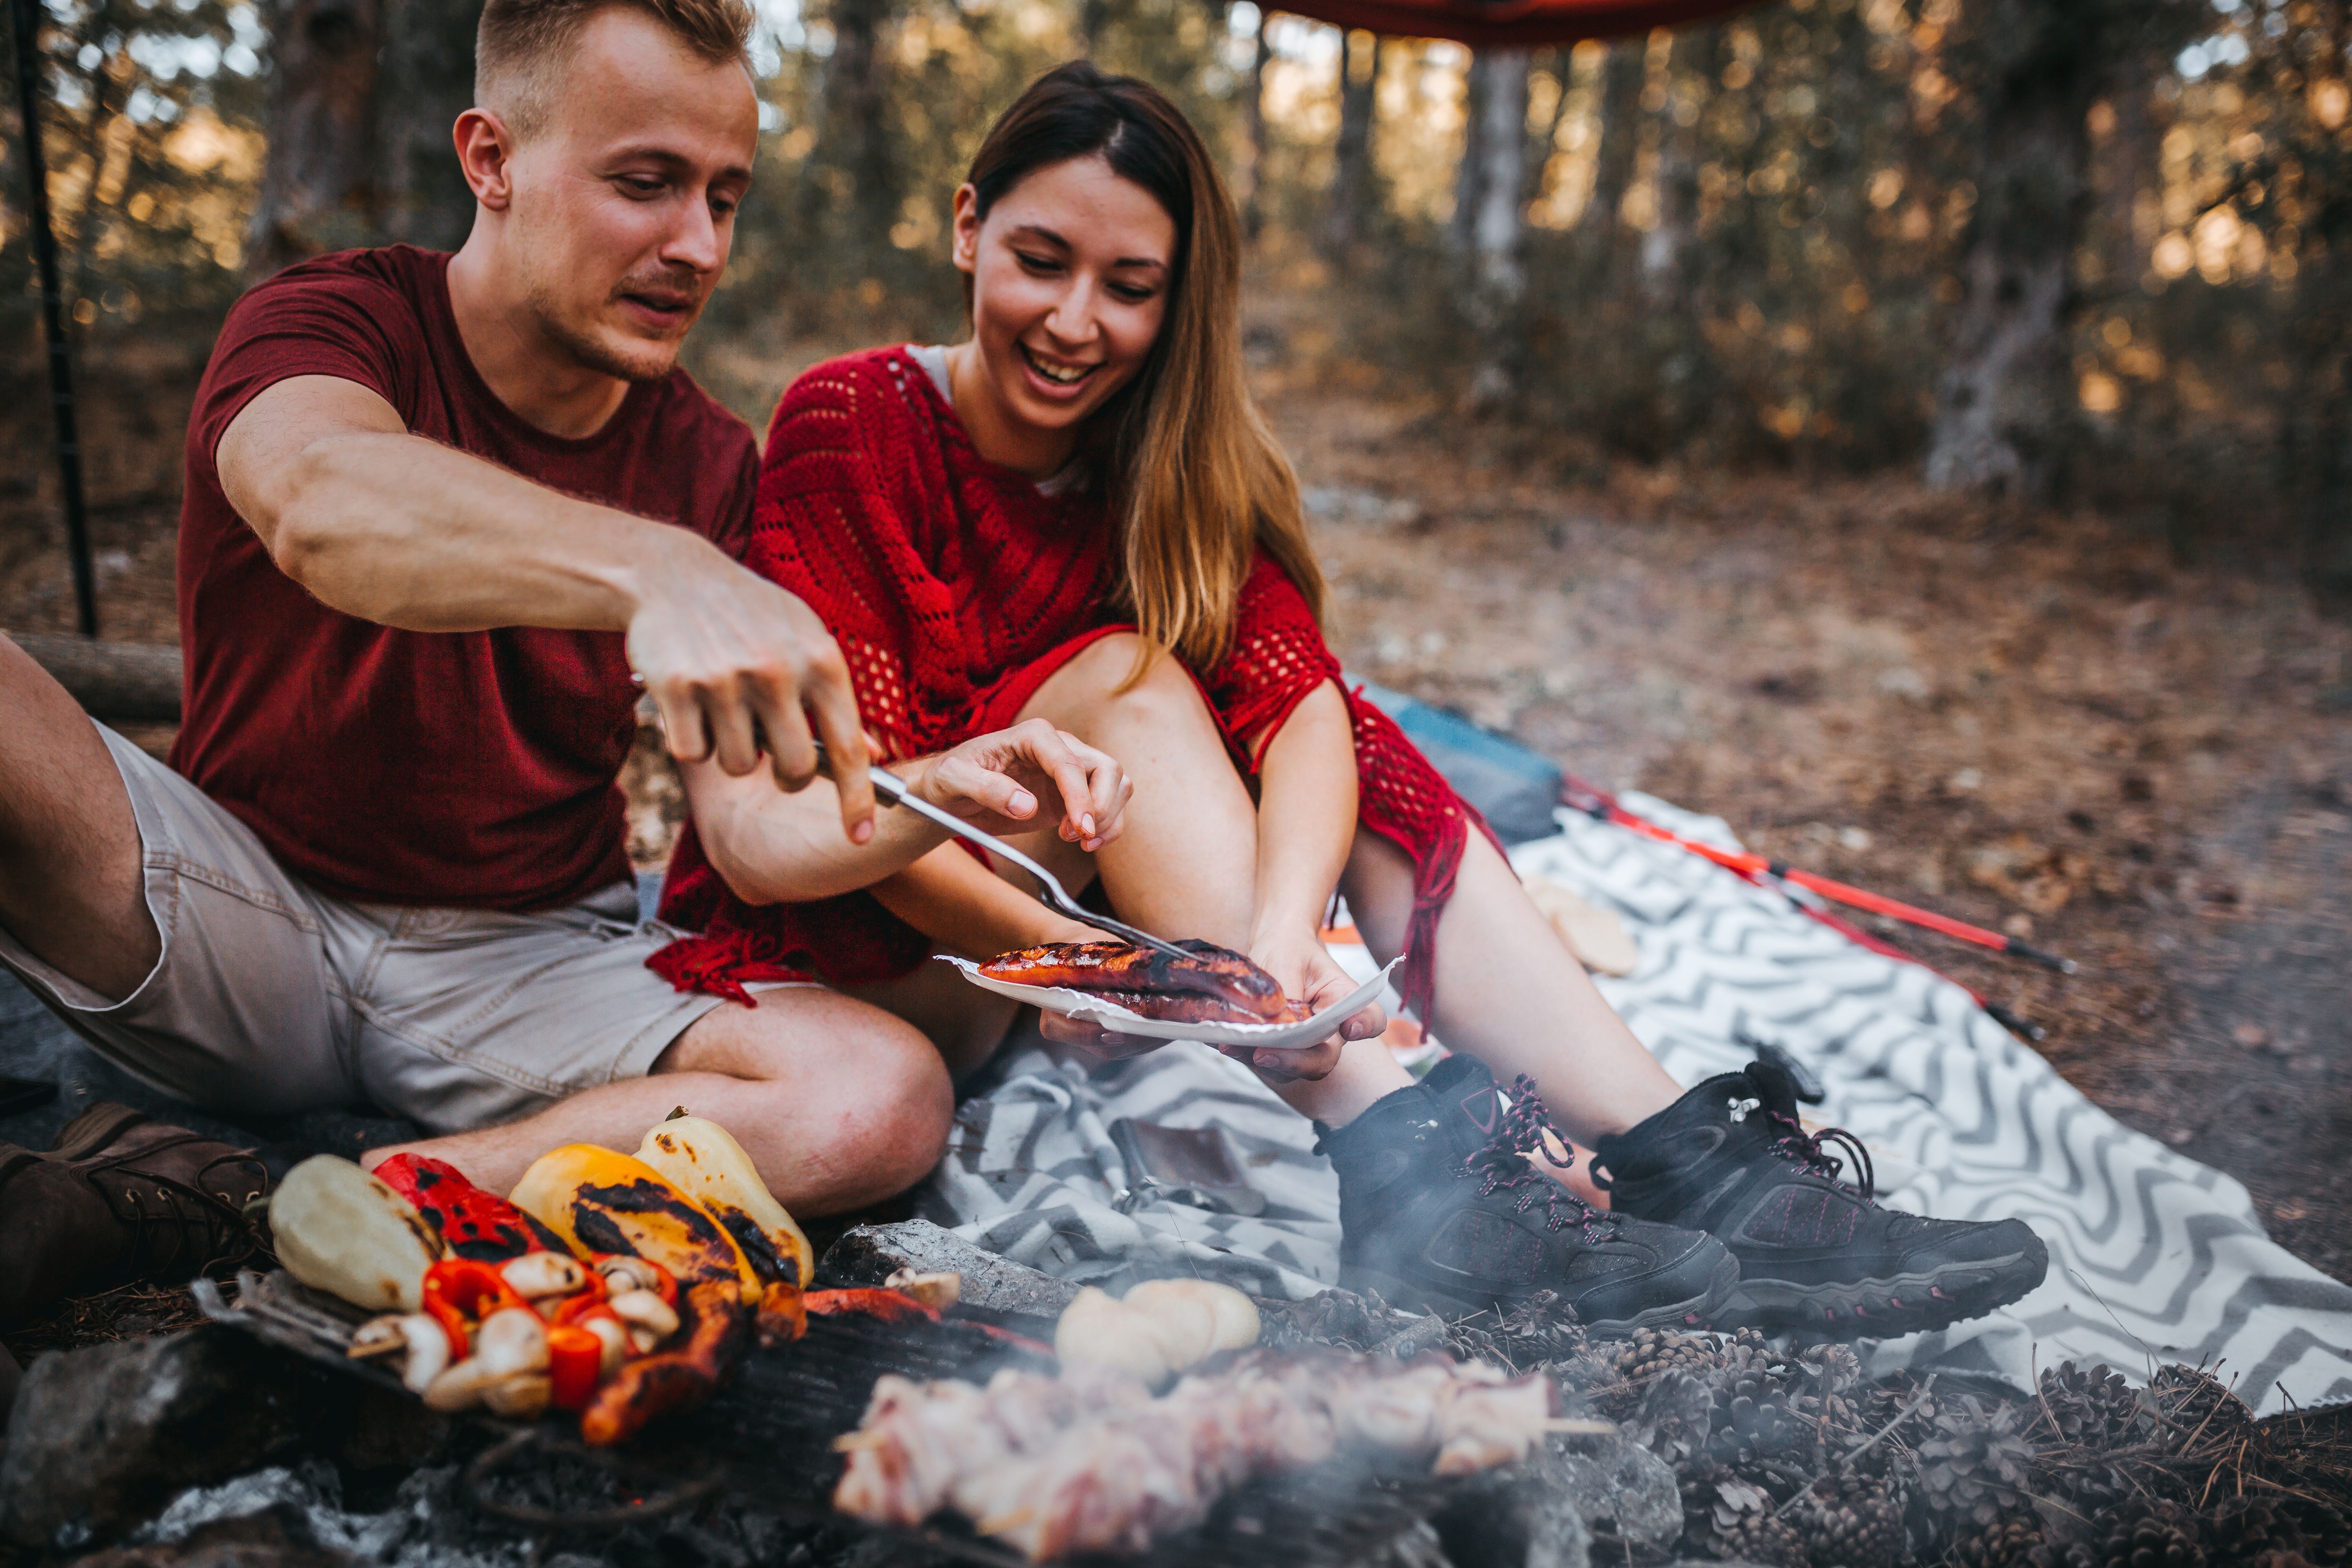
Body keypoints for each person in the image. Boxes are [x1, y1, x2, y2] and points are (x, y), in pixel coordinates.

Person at [651, 62, 2050, 1336]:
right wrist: (1099, 964)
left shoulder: (1177, 457)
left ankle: (1681, 1152)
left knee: (1353, 739)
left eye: (1130, 284)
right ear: (968, 230)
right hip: (882, 947)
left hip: (1087, 924)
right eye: (1039, 261)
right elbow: (872, 806)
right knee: (1131, 682)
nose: (1076, 322)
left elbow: (1304, 704)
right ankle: (1407, 1168)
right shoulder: (855, 421)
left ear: (1178, 297)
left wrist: (1277, 934)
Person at [0, 0, 1130, 1325]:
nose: (697, 246)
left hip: (523, 963)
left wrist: (943, 787)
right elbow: (321, 499)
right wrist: (658, 572)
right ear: (491, 160)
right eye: (645, 184)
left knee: (878, 1097)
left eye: (725, 195)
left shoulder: (709, 459)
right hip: (231, 909)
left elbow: (757, 834)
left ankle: (308, 1198)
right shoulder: (333, 321)